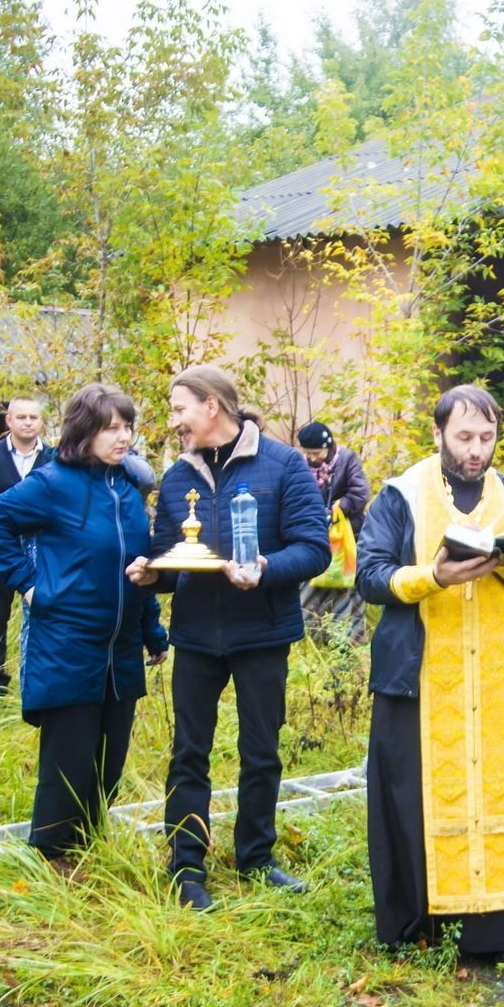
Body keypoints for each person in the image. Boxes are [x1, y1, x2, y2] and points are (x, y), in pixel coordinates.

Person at [356, 384, 504, 968]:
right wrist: (434, 577)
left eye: (487, 438)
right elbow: (370, 577)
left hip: (496, 681)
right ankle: (422, 925)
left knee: (503, 798)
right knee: (415, 799)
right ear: (438, 434)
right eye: (465, 437)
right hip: (417, 681)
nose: (477, 450)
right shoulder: (401, 494)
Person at [125, 365, 329, 911]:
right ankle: (186, 865)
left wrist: (265, 566)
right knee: (188, 752)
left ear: (211, 406)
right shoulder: (174, 478)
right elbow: (173, 555)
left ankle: (256, 857)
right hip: (194, 636)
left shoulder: (284, 465)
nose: (174, 422)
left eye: (179, 409)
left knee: (260, 751)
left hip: (263, 632)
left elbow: (315, 548)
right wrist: (153, 573)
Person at [0, 384, 168, 864]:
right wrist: (30, 584)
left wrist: (152, 632)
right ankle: (53, 856)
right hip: (67, 641)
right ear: (85, 431)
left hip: (120, 647)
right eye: (111, 428)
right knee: (69, 761)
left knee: (108, 763)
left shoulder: (126, 488)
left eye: (127, 427)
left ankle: (88, 846)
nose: (123, 437)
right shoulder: (53, 483)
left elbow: (135, 565)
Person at [0, 397, 54, 702]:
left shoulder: (54, 459)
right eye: (22, 417)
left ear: (41, 422)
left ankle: (41, 673)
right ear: (9, 422)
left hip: (43, 550)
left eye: (34, 417)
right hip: (0, 550)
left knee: (45, 609)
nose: (28, 422)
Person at [297, 419, 371, 645]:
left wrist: (340, 507)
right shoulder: (300, 464)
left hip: (346, 539)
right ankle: (314, 640)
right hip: (315, 537)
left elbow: (361, 492)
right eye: (307, 453)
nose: (312, 458)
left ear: (328, 447)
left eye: (316, 453)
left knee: (344, 590)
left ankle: (349, 642)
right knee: (310, 589)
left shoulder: (346, 459)